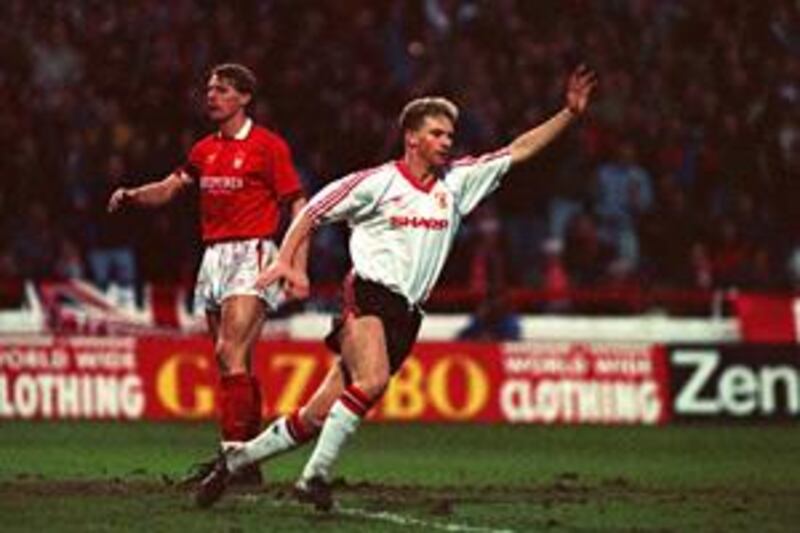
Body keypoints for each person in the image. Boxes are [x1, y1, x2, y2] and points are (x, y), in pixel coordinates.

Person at [195, 65, 597, 509]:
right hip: (368, 293)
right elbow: (310, 213)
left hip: (408, 311)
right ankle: (314, 478)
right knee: (372, 379)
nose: (448, 141)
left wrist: (568, 114)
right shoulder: (376, 183)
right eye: (439, 133)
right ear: (413, 138)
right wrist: (289, 264)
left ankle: (234, 462)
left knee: (316, 414)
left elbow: (518, 150)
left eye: (450, 135)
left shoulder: (458, 183)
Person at [107, 63, 308, 484]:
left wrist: (294, 263)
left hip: (251, 253)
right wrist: (132, 194)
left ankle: (232, 457)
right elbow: (168, 187)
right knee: (234, 361)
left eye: (222, 90)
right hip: (214, 257)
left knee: (228, 352)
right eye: (209, 89)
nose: (211, 96)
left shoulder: (267, 146)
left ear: (244, 98)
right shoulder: (204, 150)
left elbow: (299, 204)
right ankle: (247, 461)